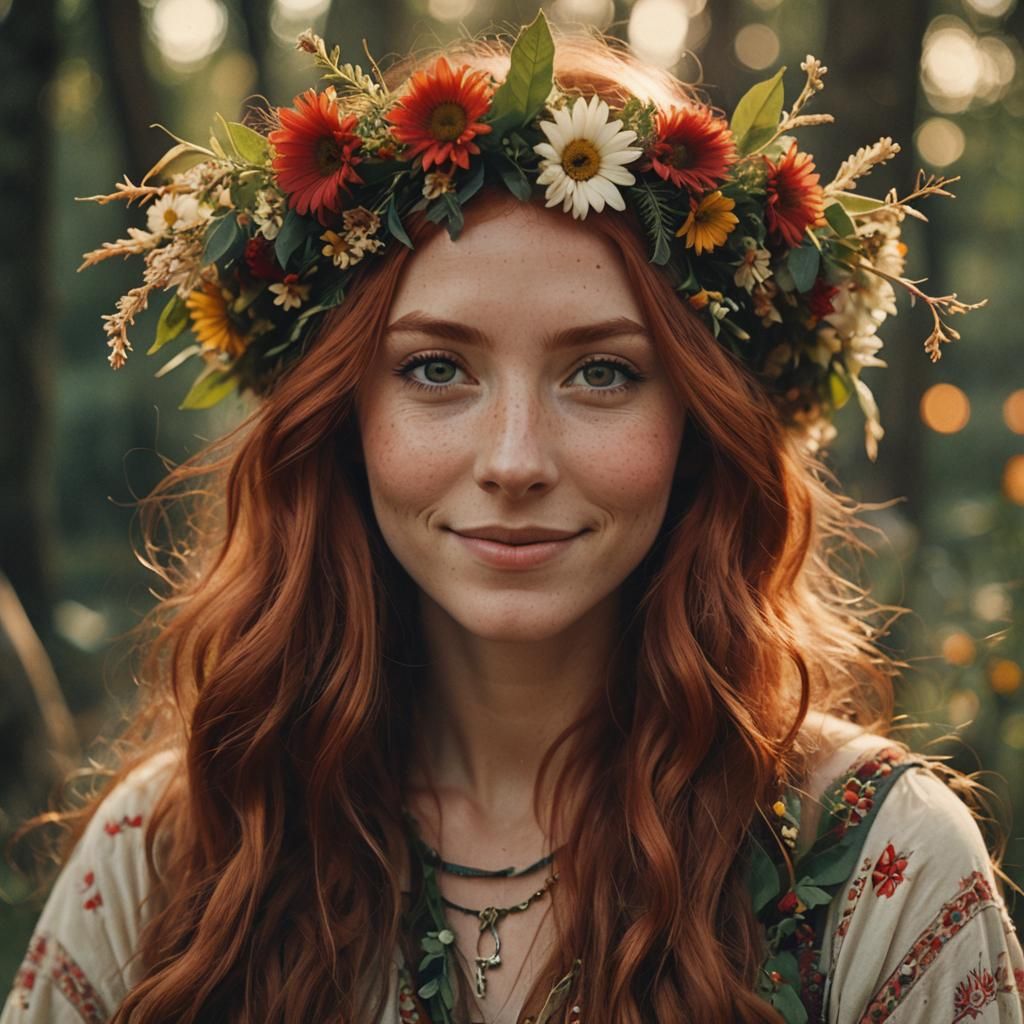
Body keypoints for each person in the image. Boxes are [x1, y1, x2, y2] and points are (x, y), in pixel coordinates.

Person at [2, 14, 1021, 1024]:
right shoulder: (176, 848)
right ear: (343, 415)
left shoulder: (877, 874)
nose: (515, 460)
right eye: (437, 368)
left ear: (699, 422)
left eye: (603, 372)